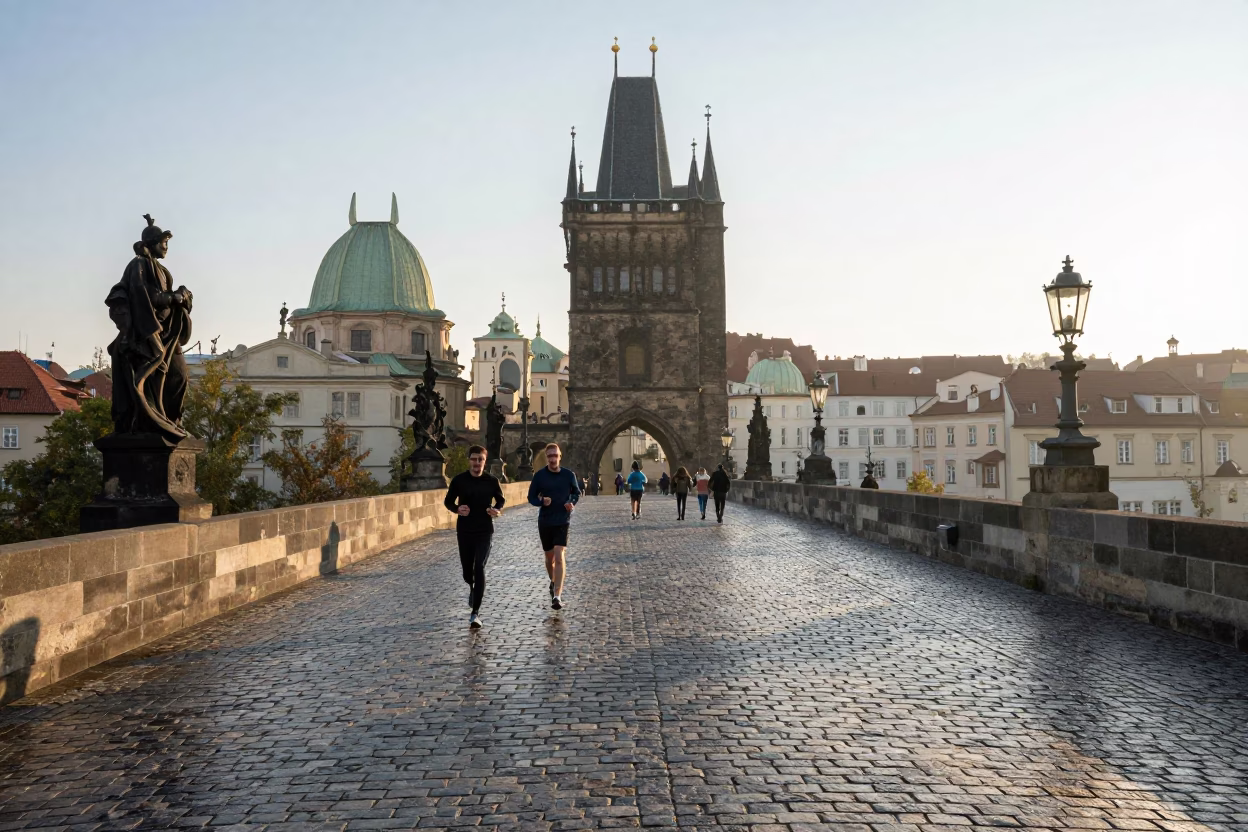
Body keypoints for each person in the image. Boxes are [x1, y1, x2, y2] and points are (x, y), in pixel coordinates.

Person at [443, 445, 505, 628]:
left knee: (479, 567)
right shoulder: (459, 480)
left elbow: (500, 499)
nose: (477, 463)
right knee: (467, 573)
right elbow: (448, 501)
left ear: (485, 462)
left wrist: (497, 510)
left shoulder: (492, 481)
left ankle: (475, 612)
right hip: (465, 531)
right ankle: (472, 587)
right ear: (469, 460)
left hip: (485, 530)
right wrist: (457, 509)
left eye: (481, 460)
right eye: (474, 459)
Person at [527, 443, 580, 610]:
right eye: (549, 456)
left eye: (555, 455)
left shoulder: (568, 475)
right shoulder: (540, 476)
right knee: (549, 558)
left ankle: (557, 595)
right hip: (545, 520)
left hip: (562, 520)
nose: (552, 459)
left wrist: (571, 502)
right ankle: (553, 581)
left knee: (559, 555)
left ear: (560, 456)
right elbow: (531, 497)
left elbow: (576, 493)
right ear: (546, 457)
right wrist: (542, 501)